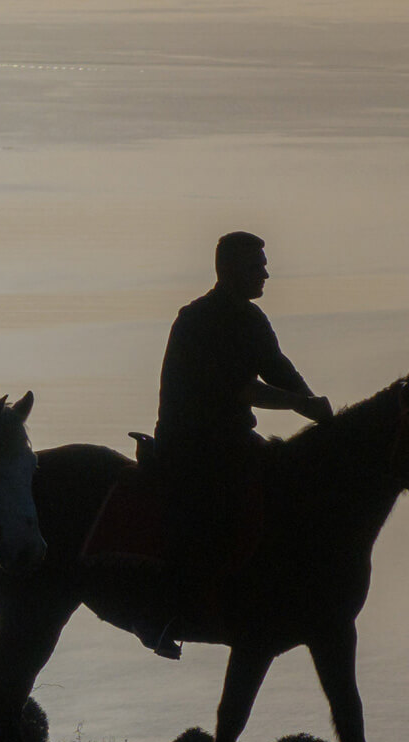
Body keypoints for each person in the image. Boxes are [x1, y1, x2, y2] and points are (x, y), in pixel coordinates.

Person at [148, 232, 333, 658]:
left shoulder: (252, 319)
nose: (266, 273)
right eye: (257, 266)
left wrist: (316, 409)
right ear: (229, 270)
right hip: (191, 443)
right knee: (218, 507)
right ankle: (168, 610)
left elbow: (278, 368)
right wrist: (302, 405)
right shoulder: (198, 320)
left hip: (231, 438)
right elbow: (242, 390)